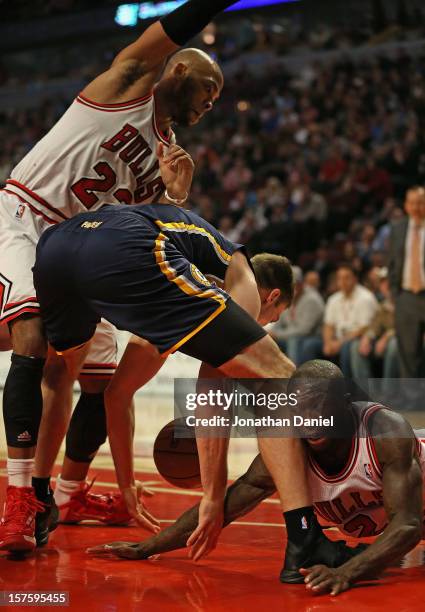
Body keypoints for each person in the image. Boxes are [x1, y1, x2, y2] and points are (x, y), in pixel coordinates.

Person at [0, 0, 239, 552]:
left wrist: (177, 198)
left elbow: (143, 230)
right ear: (179, 70)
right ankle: (20, 498)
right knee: (33, 336)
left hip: (81, 251)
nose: (211, 104)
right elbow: (170, 29)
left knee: (104, 380)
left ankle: (69, 490)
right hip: (29, 219)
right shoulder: (125, 85)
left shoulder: (168, 156)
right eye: (209, 89)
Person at [32, 203, 358, 582]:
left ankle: (32, 495)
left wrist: (127, 488)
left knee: (52, 373)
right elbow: (212, 397)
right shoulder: (242, 286)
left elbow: (116, 396)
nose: (268, 325)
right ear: (269, 298)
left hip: (56, 248)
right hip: (124, 244)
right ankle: (312, 528)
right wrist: (212, 496)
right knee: (283, 381)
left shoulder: (167, 290)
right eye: (276, 317)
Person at [92, 360, 424, 597]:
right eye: (300, 409)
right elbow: (225, 508)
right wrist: (147, 548)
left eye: (319, 407)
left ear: (346, 404)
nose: (309, 419)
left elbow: (408, 525)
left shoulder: (385, 432)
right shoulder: (289, 454)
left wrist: (346, 573)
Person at [388, 187, 425, 377]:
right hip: (407, 295)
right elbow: (392, 263)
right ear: (406, 206)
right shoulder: (398, 229)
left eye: (420, 202)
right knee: (408, 352)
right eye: (412, 203)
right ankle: (412, 401)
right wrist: (396, 295)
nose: (416, 207)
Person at [322, 264, 378, 375]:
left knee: (348, 346)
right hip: (338, 338)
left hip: (361, 338)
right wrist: (328, 343)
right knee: (308, 345)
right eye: (339, 278)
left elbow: (364, 328)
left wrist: (340, 343)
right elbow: (328, 325)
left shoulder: (365, 298)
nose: (342, 281)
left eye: (346, 278)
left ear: (355, 279)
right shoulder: (333, 299)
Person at [269, 266, 324, 365]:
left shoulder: (312, 300)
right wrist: (271, 333)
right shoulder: (285, 297)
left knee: (294, 340)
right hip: (290, 336)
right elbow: (277, 320)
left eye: (294, 284)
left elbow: (304, 330)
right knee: (267, 340)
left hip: (313, 336)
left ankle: (294, 375)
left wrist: (277, 334)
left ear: (301, 284)